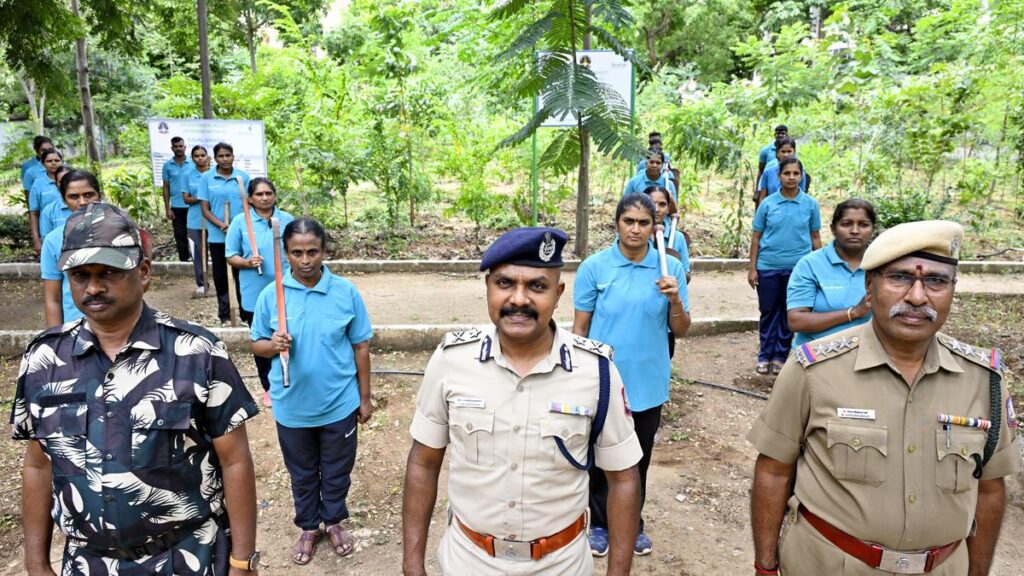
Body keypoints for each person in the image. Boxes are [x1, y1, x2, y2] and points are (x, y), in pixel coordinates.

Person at [748, 220, 1021, 576]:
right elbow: (773, 471)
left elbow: (989, 490)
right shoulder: (813, 369)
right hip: (827, 565)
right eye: (900, 278)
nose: (918, 297)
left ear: (953, 289)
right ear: (869, 285)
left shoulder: (983, 379)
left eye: (936, 281)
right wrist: (765, 568)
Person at [12, 201, 262, 575]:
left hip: (185, 556)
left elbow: (235, 459)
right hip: (87, 563)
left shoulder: (196, 352)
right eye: (80, 276)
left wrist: (242, 562)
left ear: (144, 273)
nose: (94, 287)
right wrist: (36, 564)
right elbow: (38, 465)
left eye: (109, 272)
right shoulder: (43, 360)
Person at [402, 226, 642, 576]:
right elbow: (423, 463)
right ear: (488, 287)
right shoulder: (451, 360)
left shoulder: (597, 372)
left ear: (558, 294)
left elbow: (623, 479)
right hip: (468, 562)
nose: (519, 299)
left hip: (561, 566)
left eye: (536, 286)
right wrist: (412, 565)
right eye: (505, 283)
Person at [251, 217, 373, 566]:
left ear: (324, 251)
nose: (305, 260)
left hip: (339, 404)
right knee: (302, 472)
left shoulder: (345, 292)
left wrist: (364, 398)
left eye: (312, 251)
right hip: (292, 407)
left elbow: (361, 346)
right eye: (296, 252)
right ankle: (308, 526)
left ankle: (333, 521)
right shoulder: (270, 296)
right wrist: (272, 345)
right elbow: (256, 344)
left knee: (336, 468)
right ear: (286, 253)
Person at [573, 194, 690, 557]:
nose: (635, 229)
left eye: (643, 223)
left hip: (648, 382)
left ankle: (633, 523)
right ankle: (599, 523)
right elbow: (581, 329)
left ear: (655, 226)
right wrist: (576, 376)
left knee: (638, 458)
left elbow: (682, 329)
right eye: (629, 222)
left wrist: (675, 301)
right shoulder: (594, 268)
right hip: (603, 381)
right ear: (617, 224)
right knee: (598, 456)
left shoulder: (669, 270)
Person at [748, 157, 822, 375]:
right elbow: (756, 238)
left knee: (790, 313)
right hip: (768, 266)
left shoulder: (810, 204)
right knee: (768, 311)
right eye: (787, 173)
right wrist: (752, 268)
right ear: (779, 176)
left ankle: (780, 355)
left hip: (799, 269)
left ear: (802, 177)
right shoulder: (768, 204)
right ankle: (764, 355)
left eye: (795, 174)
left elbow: (815, 237)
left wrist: (820, 268)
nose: (791, 178)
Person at [228, 177, 294, 408]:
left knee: (288, 335)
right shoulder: (240, 222)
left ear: (275, 195)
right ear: (250, 198)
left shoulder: (286, 220)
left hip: (286, 290)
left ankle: (289, 380)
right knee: (263, 339)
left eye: (268, 193)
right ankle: (268, 386)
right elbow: (230, 255)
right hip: (254, 294)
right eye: (259, 194)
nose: (264, 198)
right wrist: (247, 262)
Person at [787, 199, 876, 349]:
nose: (855, 231)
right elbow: (796, 321)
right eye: (846, 224)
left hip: (868, 353)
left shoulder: (882, 264)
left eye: (863, 224)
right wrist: (853, 312)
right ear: (833, 229)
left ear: (872, 229)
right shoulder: (811, 264)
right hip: (816, 354)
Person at [40, 170, 103, 328]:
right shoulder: (53, 241)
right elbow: (53, 299)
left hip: (119, 324)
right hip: (76, 326)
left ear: (99, 196)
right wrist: (56, 339)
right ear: (64, 200)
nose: (82, 202)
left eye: (89, 194)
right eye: (74, 196)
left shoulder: (121, 232)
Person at [199, 142, 251, 324]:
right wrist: (222, 225)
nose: (225, 159)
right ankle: (225, 314)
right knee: (221, 276)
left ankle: (245, 313)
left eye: (228, 155)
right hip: (217, 236)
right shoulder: (207, 178)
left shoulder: (242, 178)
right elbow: (205, 209)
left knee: (242, 274)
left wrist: (237, 228)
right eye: (221, 156)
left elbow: (250, 206)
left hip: (241, 236)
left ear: (233, 156)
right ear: (215, 158)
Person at [644, 185, 691, 283]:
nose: (656, 209)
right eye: (652, 203)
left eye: (662, 204)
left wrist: (674, 264)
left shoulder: (678, 238)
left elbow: (687, 277)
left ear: (668, 208)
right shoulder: (633, 234)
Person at [184, 145, 212, 297]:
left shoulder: (213, 174)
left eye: (203, 155)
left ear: (207, 156)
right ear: (192, 158)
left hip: (214, 221)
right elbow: (186, 198)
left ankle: (226, 284)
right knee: (198, 253)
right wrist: (202, 197)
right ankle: (202, 283)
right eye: (196, 155)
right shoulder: (188, 175)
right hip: (195, 221)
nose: (200, 158)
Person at [162, 136, 195, 262]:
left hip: (192, 205)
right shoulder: (167, 166)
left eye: (180, 146)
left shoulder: (193, 164)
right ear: (172, 148)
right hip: (176, 206)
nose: (178, 148)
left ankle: (196, 259)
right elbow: (165, 187)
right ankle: (184, 260)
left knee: (194, 234)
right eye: (175, 146)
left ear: (185, 147)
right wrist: (167, 208)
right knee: (180, 235)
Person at [28, 148, 65, 253]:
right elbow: (34, 214)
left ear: (62, 162)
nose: (53, 163)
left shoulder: (71, 180)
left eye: (56, 160)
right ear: (43, 164)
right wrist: (36, 240)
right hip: (49, 230)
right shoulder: (38, 185)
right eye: (49, 161)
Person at [755, 137, 810, 205]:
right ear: (777, 153)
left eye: (789, 151)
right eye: (783, 152)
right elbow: (762, 197)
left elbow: (802, 196)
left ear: (794, 152)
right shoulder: (768, 172)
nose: (786, 155)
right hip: (773, 211)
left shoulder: (800, 173)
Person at [37, 166, 72, 239]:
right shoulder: (48, 211)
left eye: (68, 180)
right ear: (56, 184)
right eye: (60, 181)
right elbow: (47, 239)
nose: (64, 184)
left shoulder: (86, 205)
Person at [756, 124, 789, 192]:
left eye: (783, 133)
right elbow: (761, 171)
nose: (780, 135)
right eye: (778, 133)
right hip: (769, 184)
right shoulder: (765, 150)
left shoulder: (790, 149)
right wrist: (757, 190)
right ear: (775, 135)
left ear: (787, 135)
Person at [21, 136, 55, 201]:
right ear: (37, 152)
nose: (47, 152)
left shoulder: (60, 165)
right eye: (43, 150)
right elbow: (28, 190)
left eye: (50, 149)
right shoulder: (29, 168)